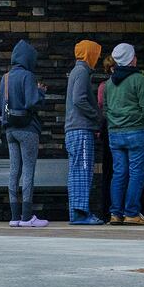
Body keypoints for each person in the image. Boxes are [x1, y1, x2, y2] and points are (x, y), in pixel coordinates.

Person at [102, 43, 144, 226]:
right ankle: (132, 213)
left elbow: (106, 108)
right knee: (137, 174)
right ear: (132, 59)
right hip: (137, 132)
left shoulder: (109, 83)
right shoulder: (139, 80)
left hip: (115, 134)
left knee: (119, 174)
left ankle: (115, 213)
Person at [3, 40, 49, 228]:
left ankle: (14, 217)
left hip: (10, 129)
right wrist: (41, 92)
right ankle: (27, 216)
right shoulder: (28, 75)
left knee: (14, 171)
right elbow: (32, 102)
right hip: (27, 128)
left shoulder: (6, 77)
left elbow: (1, 105)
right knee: (28, 171)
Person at [65, 40, 105, 225]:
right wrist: (96, 117)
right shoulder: (81, 72)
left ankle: (77, 214)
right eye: (95, 54)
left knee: (76, 172)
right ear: (90, 54)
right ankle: (81, 213)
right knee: (82, 171)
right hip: (81, 129)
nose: (97, 58)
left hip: (74, 130)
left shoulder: (77, 71)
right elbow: (79, 99)